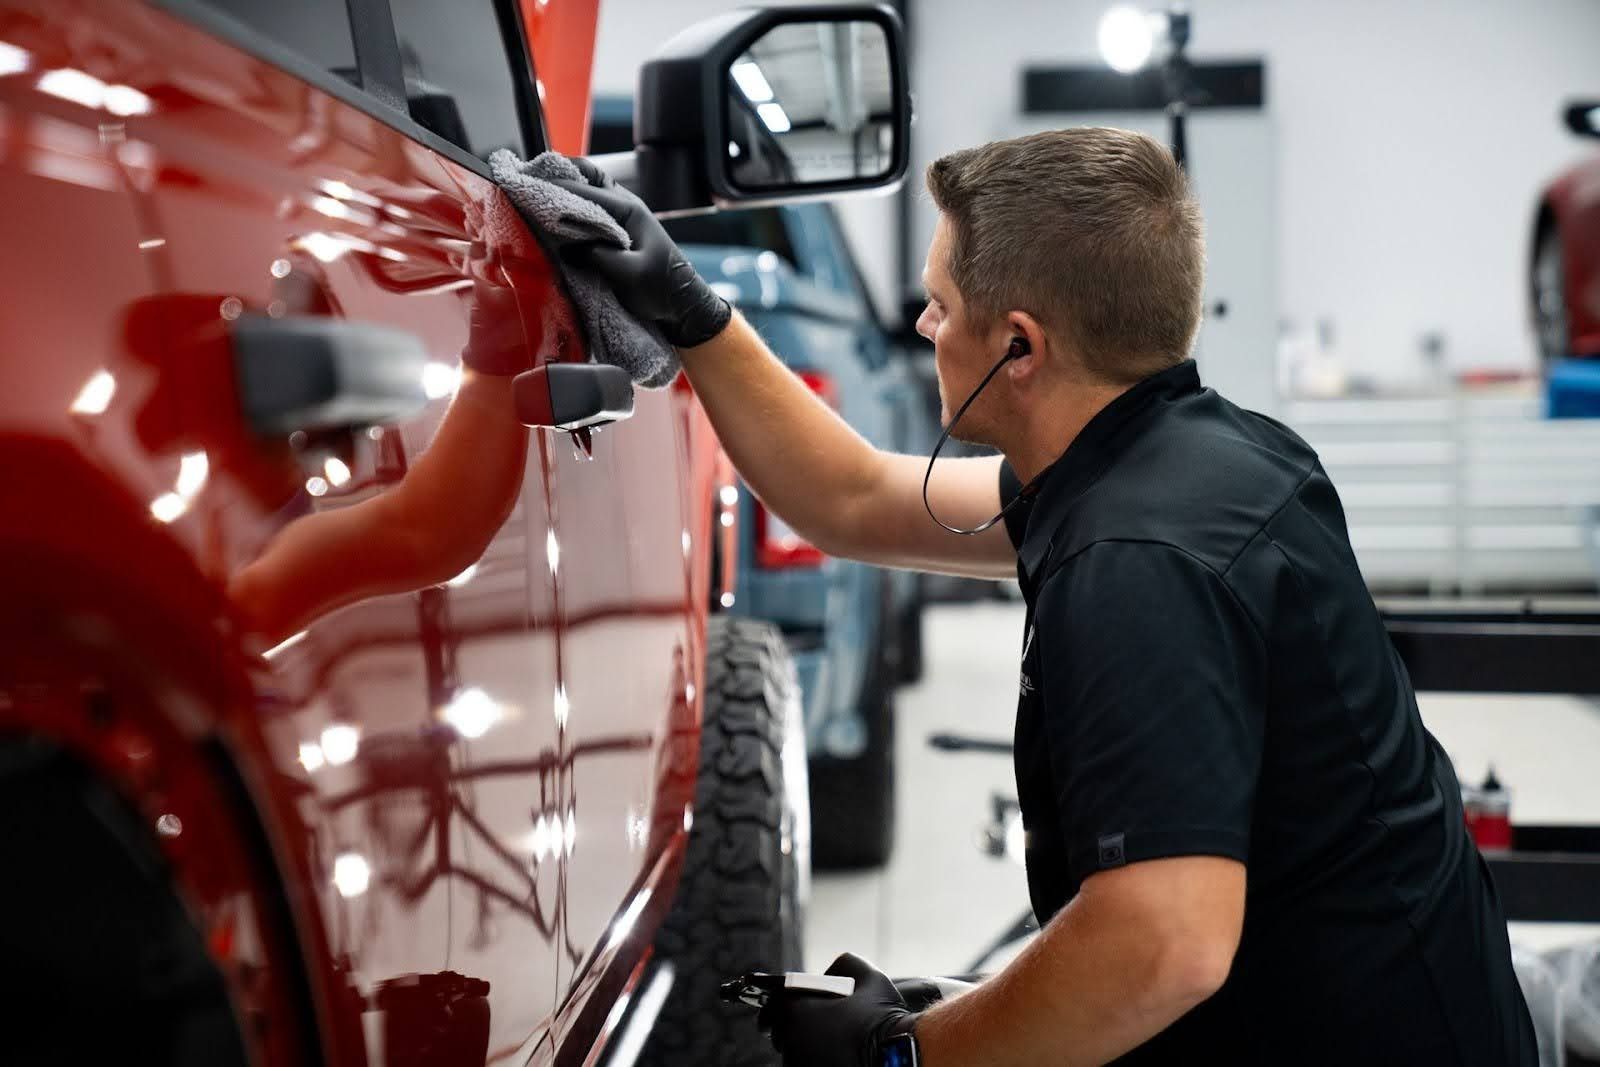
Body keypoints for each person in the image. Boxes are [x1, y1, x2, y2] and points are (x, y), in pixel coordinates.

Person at [553, 127, 1538, 1065]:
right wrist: (695, 319)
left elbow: (1164, 942)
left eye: (938, 303)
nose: (925, 325)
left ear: (1017, 347)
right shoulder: (1199, 453)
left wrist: (905, 1050)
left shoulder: (1138, 561)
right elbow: (853, 497)